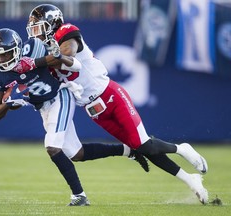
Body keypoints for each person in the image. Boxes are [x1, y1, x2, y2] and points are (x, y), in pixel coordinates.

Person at [24, 4, 209, 204]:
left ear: (53, 24)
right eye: (33, 30)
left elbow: (67, 54)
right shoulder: (44, 52)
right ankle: (190, 180)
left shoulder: (66, 32)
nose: (37, 35)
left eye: (39, 29)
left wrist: (36, 62)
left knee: (143, 143)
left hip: (110, 95)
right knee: (140, 147)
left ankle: (181, 149)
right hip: (93, 110)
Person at [0, 28, 149, 206]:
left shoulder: (34, 48)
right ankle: (128, 150)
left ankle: (79, 196)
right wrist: (8, 105)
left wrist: (33, 63)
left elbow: (65, 61)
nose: (2, 59)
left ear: (16, 50)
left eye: (6, 55)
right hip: (43, 107)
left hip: (59, 96)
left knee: (52, 147)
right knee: (77, 153)